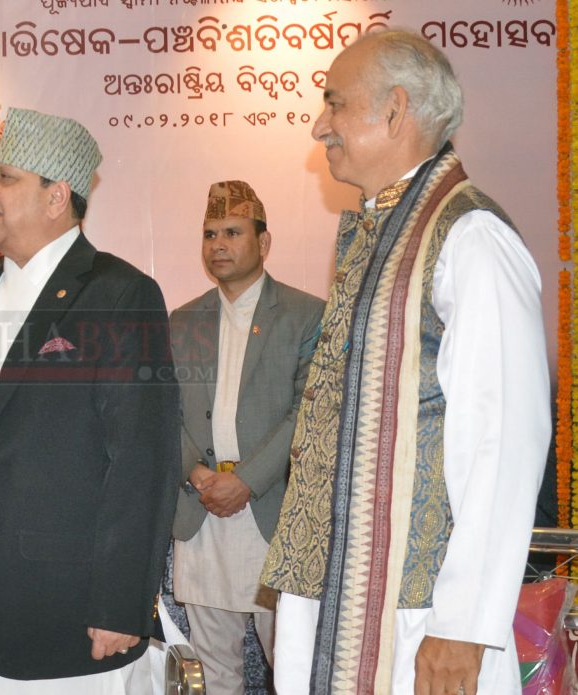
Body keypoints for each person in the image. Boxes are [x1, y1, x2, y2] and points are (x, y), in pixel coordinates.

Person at [260, 30, 550, 695]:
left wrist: (465, 623)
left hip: (423, 621)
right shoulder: (376, 229)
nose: (318, 125)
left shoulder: (472, 237)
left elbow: (503, 439)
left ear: (394, 110)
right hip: (335, 596)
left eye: (334, 104)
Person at [0, 107, 180, 693]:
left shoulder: (120, 295)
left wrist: (122, 602)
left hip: (72, 613)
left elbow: (143, 458)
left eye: (6, 179)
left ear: (55, 196)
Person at [169, 180, 324, 694]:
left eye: (233, 232)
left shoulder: (306, 315)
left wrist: (248, 481)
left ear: (265, 241)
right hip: (202, 508)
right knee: (214, 671)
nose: (218, 245)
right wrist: (196, 474)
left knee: (294, 665)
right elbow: (165, 413)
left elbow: (312, 409)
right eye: (210, 233)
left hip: (273, 511)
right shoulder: (182, 320)